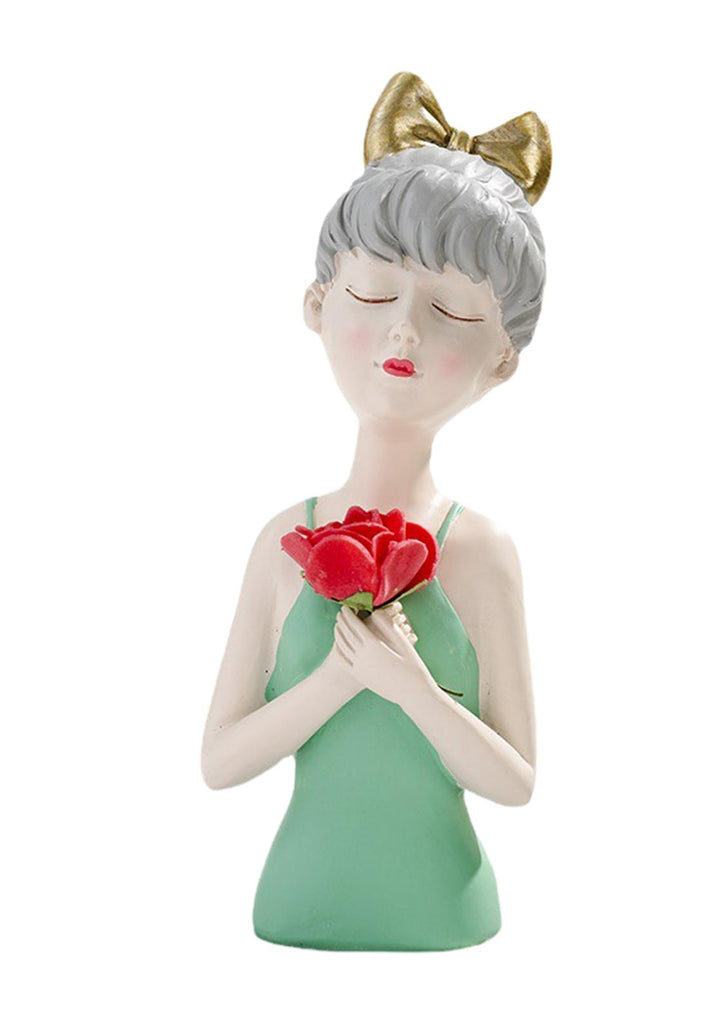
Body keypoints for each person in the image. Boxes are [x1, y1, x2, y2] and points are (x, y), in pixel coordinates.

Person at [201, 72, 550, 950]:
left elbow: (515, 781)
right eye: (373, 294)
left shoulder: (481, 551)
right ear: (318, 306)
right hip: (296, 904)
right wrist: (334, 682)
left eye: (451, 310)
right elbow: (220, 761)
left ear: (500, 360)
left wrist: (411, 689)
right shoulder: (282, 541)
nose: (405, 331)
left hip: (447, 913)